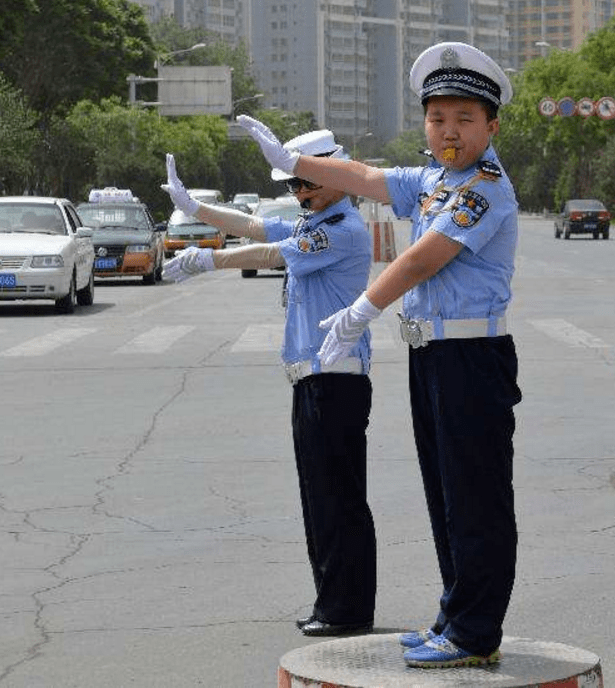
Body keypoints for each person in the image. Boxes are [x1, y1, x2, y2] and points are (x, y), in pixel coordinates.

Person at [238, 41, 521, 669]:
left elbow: (424, 257)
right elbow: (366, 178)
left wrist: (364, 306)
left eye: (464, 120)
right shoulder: (431, 180)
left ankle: (476, 631)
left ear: (490, 126)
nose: (449, 132)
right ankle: (455, 613)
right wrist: (296, 159)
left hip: (472, 356)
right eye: (438, 119)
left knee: (476, 496)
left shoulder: (484, 187)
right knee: (444, 491)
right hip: (434, 357)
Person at [160, 130, 376, 638]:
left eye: (310, 183)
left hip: (335, 381)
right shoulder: (316, 219)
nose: (303, 193)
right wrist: (196, 209)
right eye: (297, 185)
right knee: (317, 499)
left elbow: (273, 253)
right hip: (312, 381)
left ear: (336, 176)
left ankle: (347, 608)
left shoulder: (342, 228)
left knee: (338, 501)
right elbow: (254, 225)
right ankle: (331, 601)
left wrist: (207, 259)